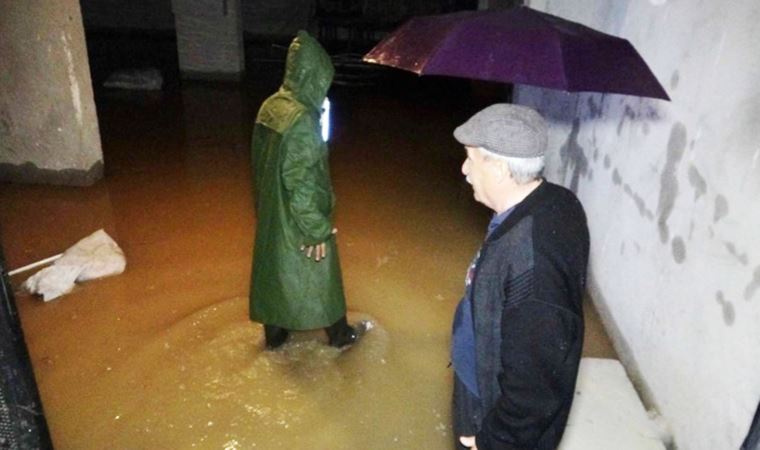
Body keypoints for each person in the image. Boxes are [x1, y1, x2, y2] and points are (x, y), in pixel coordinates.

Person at [450, 104, 590, 449]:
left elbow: (535, 389)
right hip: (481, 370)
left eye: (471, 158)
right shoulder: (555, 200)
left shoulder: (534, 267)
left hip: (491, 410)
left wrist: (493, 440)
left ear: (498, 168)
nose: (464, 170)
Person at [249, 31, 358, 350]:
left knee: (275, 275)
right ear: (314, 76)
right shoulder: (301, 121)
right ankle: (342, 338)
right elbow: (303, 183)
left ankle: (274, 343)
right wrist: (317, 230)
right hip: (299, 219)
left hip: (272, 212)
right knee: (324, 279)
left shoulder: (271, 106)